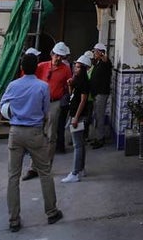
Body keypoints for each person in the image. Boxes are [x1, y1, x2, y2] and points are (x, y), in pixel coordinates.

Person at [0, 53, 64, 231]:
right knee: (45, 172)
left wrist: (16, 113)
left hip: (15, 132)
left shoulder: (13, 85)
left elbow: (2, 106)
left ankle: (13, 220)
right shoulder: (42, 87)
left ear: (21, 68)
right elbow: (45, 111)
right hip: (35, 132)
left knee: (13, 176)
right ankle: (51, 212)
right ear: (36, 67)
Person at [23, 41, 72, 180]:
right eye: (56, 56)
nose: (58, 59)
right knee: (36, 135)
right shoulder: (41, 67)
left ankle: (46, 167)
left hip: (54, 103)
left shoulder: (65, 69)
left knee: (51, 136)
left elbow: (69, 86)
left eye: (61, 57)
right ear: (52, 54)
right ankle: (33, 168)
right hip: (39, 103)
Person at [61, 53, 93, 183]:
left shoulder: (84, 82)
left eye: (78, 67)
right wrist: (70, 86)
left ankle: (75, 172)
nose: (75, 68)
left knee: (77, 145)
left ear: (84, 69)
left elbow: (83, 100)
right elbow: (73, 97)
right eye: (76, 66)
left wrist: (76, 117)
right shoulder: (77, 81)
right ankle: (80, 169)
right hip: (75, 114)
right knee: (80, 144)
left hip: (78, 116)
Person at [88, 42, 111, 148]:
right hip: (96, 94)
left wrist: (102, 55)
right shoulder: (97, 63)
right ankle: (98, 136)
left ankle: (100, 138)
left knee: (100, 116)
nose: (94, 53)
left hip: (101, 93)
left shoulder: (105, 62)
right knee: (97, 116)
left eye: (95, 52)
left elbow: (106, 61)